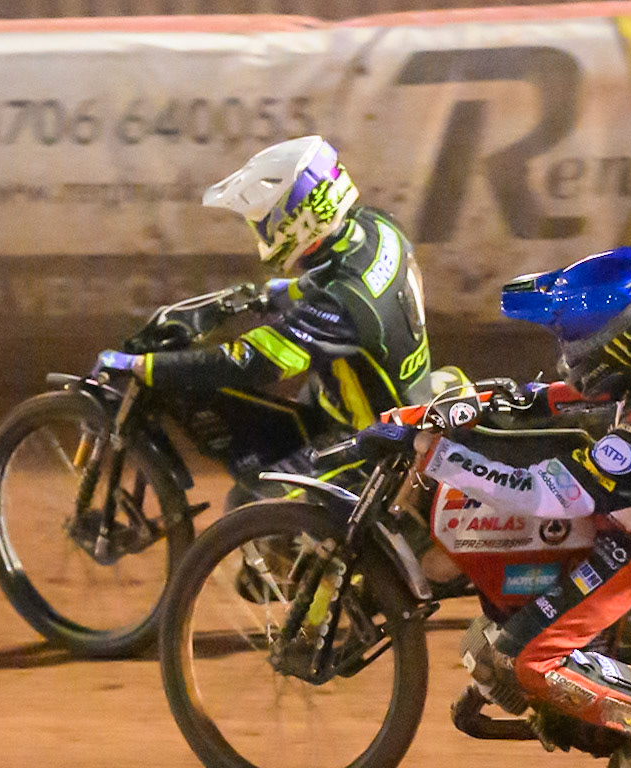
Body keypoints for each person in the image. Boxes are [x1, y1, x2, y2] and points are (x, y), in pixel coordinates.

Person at [359, 246, 631, 768]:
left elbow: (539, 493)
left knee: (529, 659)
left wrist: (442, 455)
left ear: (626, 344)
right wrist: (501, 402)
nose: (570, 351)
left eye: (580, 343)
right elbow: (588, 400)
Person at [94, 135, 435, 504]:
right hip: (398, 400)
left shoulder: (340, 304)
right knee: (291, 412)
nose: (261, 231)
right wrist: (275, 294)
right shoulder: (376, 226)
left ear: (299, 218)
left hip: (375, 443)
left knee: (245, 503)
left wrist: (149, 368)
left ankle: (319, 558)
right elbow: (342, 274)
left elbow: (247, 363)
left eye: (266, 221)